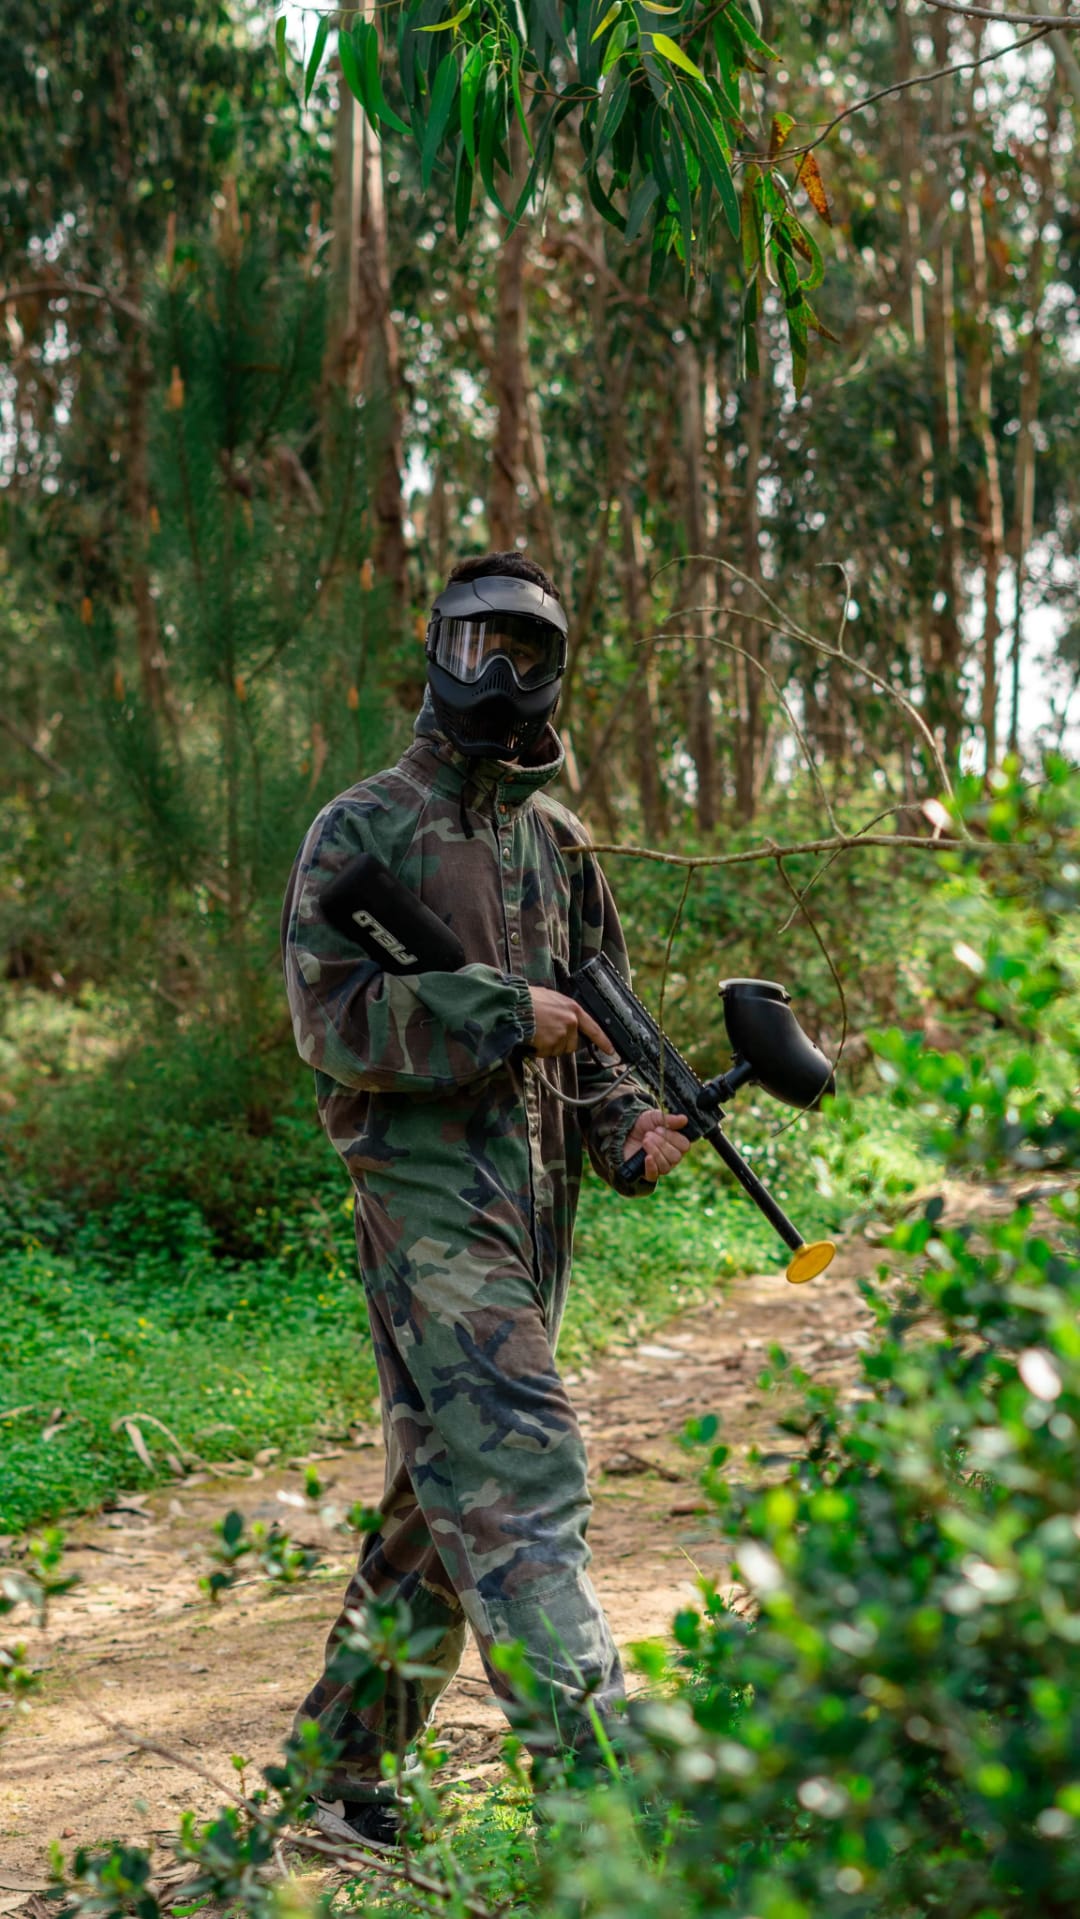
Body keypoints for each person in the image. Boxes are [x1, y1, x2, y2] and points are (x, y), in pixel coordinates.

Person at [280, 550, 690, 1840]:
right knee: (517, 1467)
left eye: (529, 655)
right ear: (439, 653)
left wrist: (630, 1126)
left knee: (442, 1491)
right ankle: (610, 1815)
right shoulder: (363, 830)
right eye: (482, 648)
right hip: (423, 1205)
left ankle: (338, 1778)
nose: (503, 679)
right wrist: (504, 1014)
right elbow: (333, 1024)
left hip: (532, 1206)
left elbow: (606, 1015)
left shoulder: (557, 845)